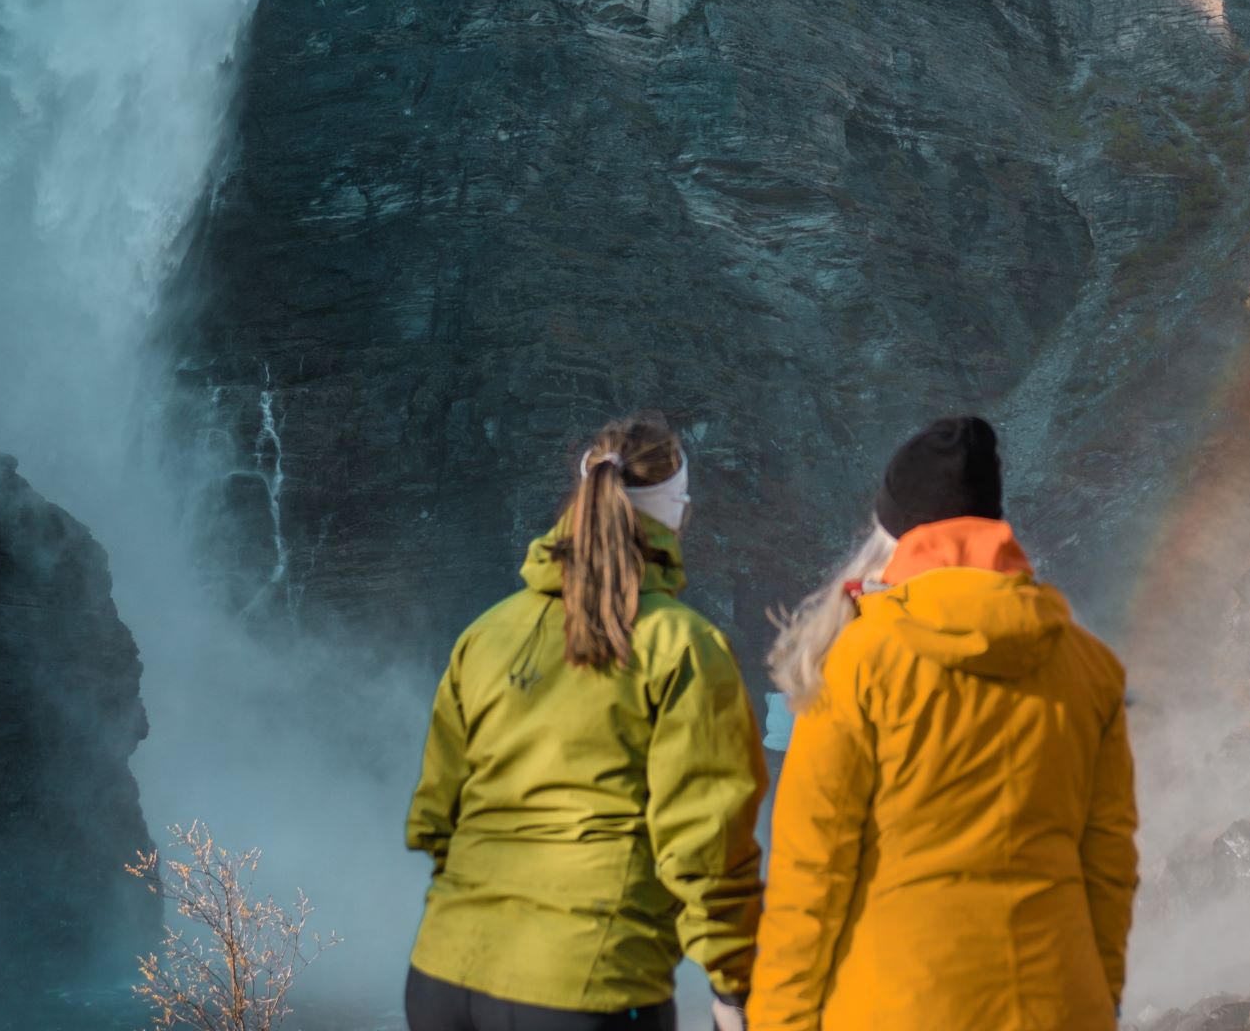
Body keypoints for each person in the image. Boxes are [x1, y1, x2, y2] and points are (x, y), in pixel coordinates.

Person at [751, 416, 1139, 1030]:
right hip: (1058, 1004)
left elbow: (811, 870)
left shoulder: (858, 662)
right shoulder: (1089, 666)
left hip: (896, 1006)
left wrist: (779, 1020)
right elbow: (1108, 864)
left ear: (896, 538)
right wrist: (1101, 996)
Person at [405, 413, 767, 1031]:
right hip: (588, 986)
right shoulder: (683, 646)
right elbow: (705, 847)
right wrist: (737, 988)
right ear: (676, 510)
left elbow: (438, 817)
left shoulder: (486, 635)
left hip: (443, 979)